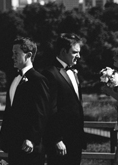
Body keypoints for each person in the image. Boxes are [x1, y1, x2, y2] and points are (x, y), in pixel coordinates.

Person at [0, 37, 49, 165]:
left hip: (29, 146)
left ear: (29, 55)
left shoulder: (38, 80)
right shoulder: (14, 79)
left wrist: (31, 139)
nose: (12, 57)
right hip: (14, 144)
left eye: (16, 53)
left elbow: (41, 113)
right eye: (12, 53)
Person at [42, 33, 86, 165]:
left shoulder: (74, 72)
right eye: (74, 52)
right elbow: (50, 109)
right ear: (63, 51)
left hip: (75, 140)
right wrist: (56, 139)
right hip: (61, 142)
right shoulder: (50, 73)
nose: (78, 56)